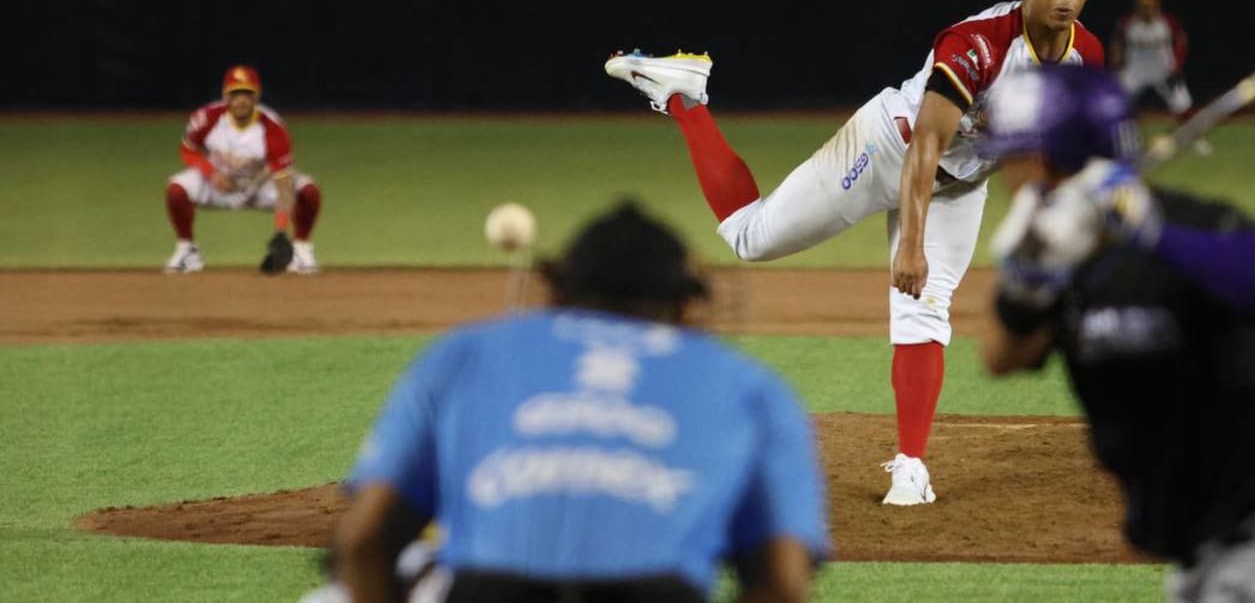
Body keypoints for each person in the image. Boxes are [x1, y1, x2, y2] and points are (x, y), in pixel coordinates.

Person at [604, 0, 1105, 506]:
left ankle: (911, 466)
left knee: (926, 310)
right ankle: (684, 97)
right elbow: (925, 146)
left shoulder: (1085, 55)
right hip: (888, 150)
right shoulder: (978, 45)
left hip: (963, 182)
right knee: (751, 237)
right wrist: (910, 244)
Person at [977, 65, 1255, 601]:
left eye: (1015, 155)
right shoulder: (1061, 253)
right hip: (1202, 562)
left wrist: (1154, 235)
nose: (1008, 175)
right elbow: (1000, 355)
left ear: (1058, 157)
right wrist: (1025, 286)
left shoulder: (1181, 226)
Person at [324, 202, 828, 603]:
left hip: (489, 591)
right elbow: (783, 584)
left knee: (345, 591)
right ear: (681, 304)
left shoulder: (467, 352)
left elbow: (363, 540)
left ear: (558, 293)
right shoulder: (749, 386)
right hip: (658, 594)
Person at [163, 65, 322, 273]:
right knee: (176, 189)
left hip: (262, 185)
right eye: (235, 93)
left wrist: (281, 232)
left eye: (247, 93)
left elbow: (283, 182)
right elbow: (188, 150)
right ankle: (187, 250)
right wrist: (211, 173)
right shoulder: (207, 118)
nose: (241, 100)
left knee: (308, 191)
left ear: (257, 96)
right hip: (219, 185)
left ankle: (300, 248)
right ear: (225, 95)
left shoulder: (272, 127)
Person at [1110, 0, 1196, 121]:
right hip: (1135, 70)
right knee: (1114, 100)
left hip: (1163, 70)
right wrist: (1116, 66)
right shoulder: (1127, 23)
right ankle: (1113, 136)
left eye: (1149, 5)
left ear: (1157, 5)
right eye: (1142, 6)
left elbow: (1181, 41)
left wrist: (1177, 65)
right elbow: (1117, 43)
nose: (1146, 9)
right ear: (1137, 6)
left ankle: (1196, 140)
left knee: (1183, 104)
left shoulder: (1168, 22)